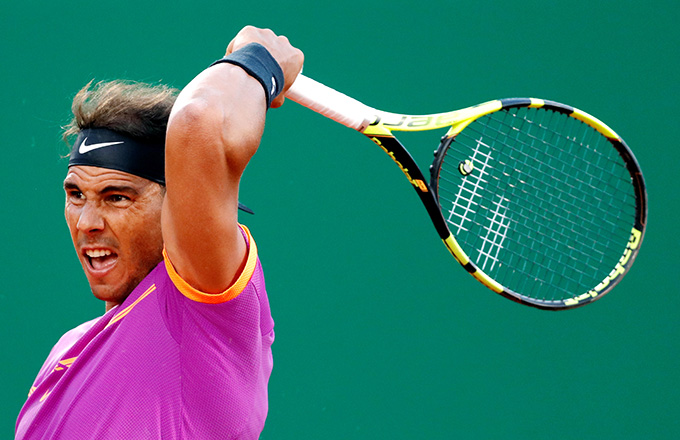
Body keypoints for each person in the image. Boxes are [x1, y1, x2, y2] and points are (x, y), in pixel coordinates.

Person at [15, 26, 304, 439]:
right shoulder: (66, 351)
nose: (86, 222)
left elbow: (200, 118)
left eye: (117, 197)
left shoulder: (204, 315)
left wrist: (258, 60)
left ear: (176, 206)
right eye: (76, 194)